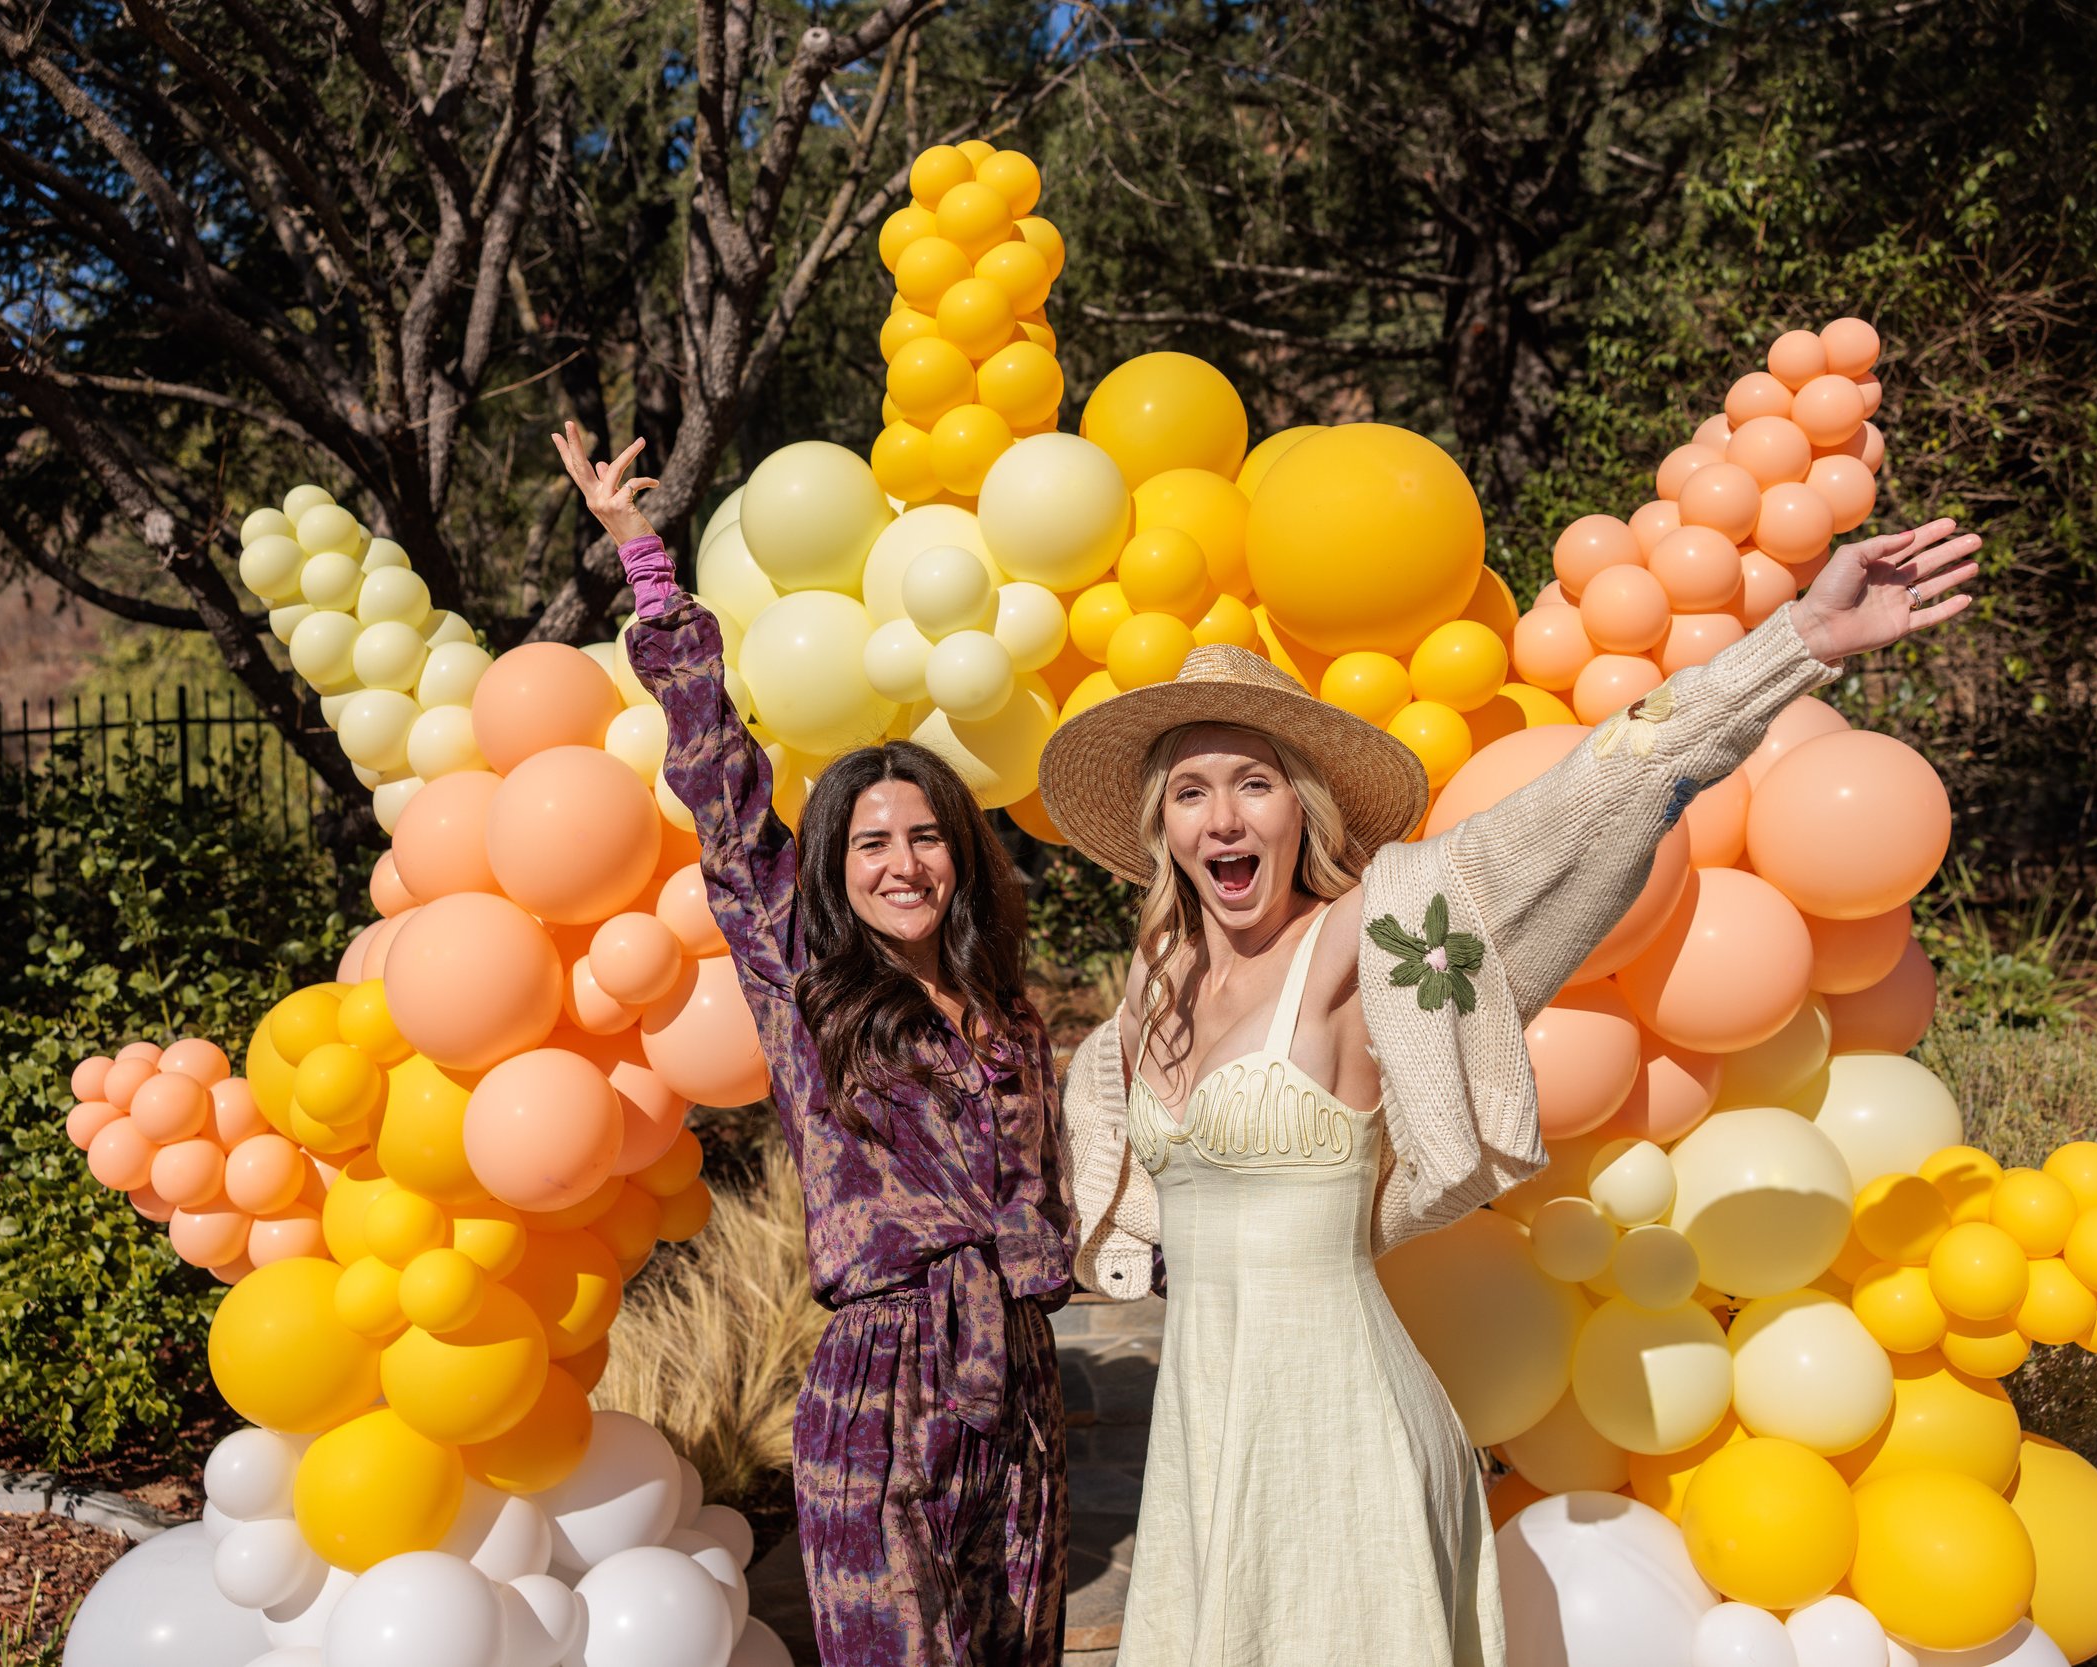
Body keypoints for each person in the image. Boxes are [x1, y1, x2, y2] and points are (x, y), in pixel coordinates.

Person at [1040, 522, 1980, 1666]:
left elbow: (1605, 787)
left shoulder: (1372, 934)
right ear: (1161, 824)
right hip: (1206, 1434)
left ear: (1304, 808)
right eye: (1191, 790)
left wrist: (1797, 643)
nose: (1223, 817)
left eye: (1254, 784)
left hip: (1342, 1426)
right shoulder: (1155, 984)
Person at [554, 424, 1074, 1667]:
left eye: (928, 836)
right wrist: (648, 570)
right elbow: (727, 792)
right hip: (881, 1380)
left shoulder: (1011, 1013)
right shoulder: (807, 979)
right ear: (838, 869)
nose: (904, 863)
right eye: (871, 842)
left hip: (1020, 1379)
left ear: (963, 851)